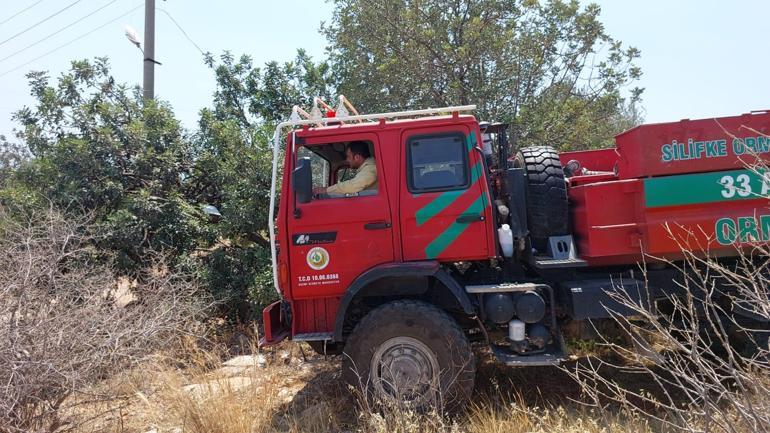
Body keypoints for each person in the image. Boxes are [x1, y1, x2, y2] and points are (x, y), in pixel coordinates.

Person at [313, 141, 377, 196]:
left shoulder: (370, 168)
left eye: (348, 157)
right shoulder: (368, 167)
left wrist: (326, 190)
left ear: (357, 157)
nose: (347, 160)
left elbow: (353, 186)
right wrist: (339, 163)